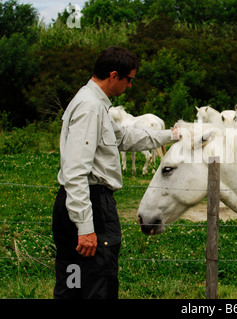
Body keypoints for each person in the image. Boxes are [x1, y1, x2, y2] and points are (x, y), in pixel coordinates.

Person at [52, 46, 177, 299]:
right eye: (129, 79)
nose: (130, 86)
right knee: (98, 283)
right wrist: (85, 226)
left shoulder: (93, 103)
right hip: (90, 203)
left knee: (74, 281)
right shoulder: (90, 108)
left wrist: (172, 135)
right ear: (113, 75)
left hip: (76, 201)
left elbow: (124, 137)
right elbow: (76, 171)